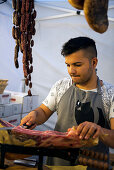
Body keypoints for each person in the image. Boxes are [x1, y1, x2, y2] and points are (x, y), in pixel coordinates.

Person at [20, 37, 114, 169]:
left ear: (93, 62)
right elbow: (43, 111)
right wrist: (35, 114)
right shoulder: (61, 86)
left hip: (93, 165)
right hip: (56, 165)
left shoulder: (110, 94)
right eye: (68, 65)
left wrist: (99, 131)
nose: (71, 71)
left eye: (77, 65)